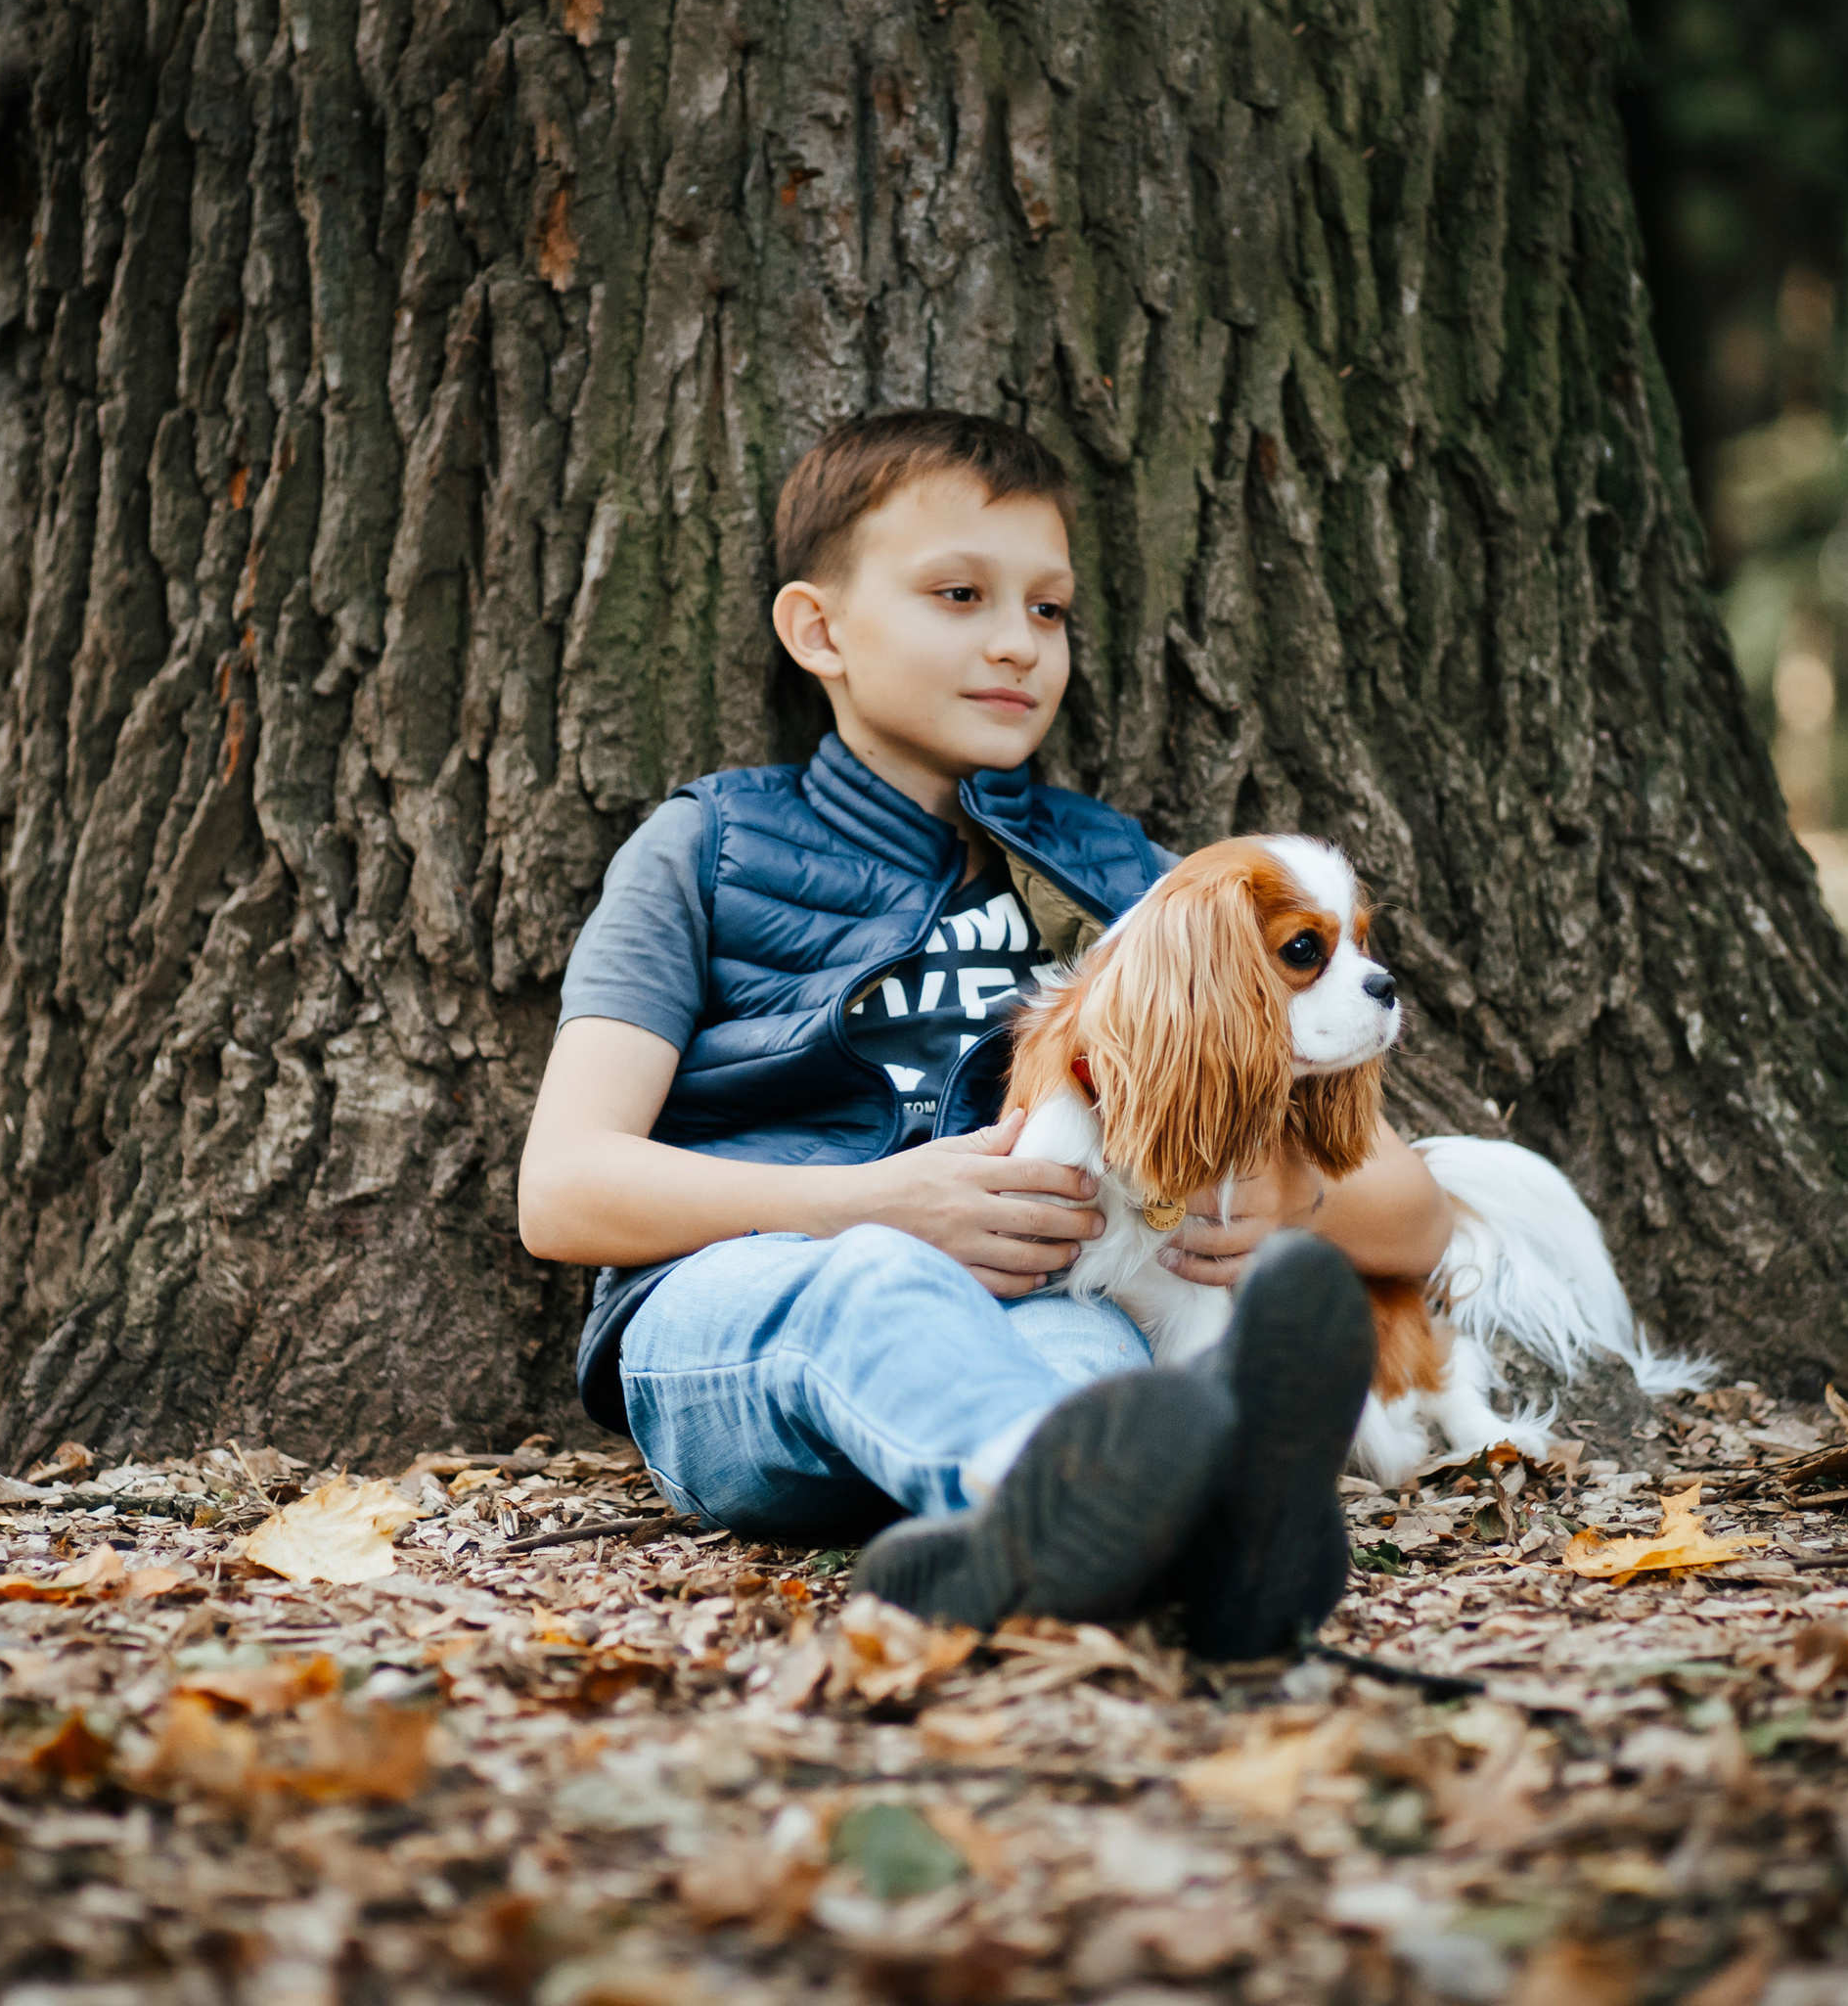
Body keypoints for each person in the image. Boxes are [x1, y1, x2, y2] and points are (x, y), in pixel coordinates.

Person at [518, 410, 1454, 1657]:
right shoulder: (706, 850)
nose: (1018, 642)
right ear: (819, 630)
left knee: (1093, 1363)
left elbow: (1409, 1210)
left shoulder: (1145, 892)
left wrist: (1273, 1192)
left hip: (1036, 1312)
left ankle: (1146, 1535)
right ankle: (1120, 1512)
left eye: (1050, 609)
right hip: (741, 1322)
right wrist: (872, 1200)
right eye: (960, 594)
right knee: (878, 1279)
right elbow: (565, 1188)